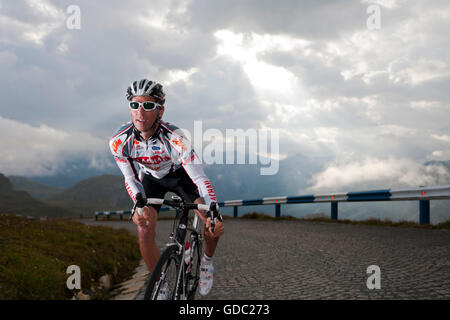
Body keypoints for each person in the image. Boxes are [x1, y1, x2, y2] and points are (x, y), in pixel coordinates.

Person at [109, 78, 224, 298]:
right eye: (135, 105)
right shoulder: (118, 141)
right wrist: (138, 206)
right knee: (143, 229)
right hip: (151, 180)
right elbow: (130, 178)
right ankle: (160, 283)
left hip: (181, 177)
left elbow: (199, 178)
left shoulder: (176, 138)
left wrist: (213, 211)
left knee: (210, 222)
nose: (140, 112)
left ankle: (207, 263)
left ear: (160, 110)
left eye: (148, 105)